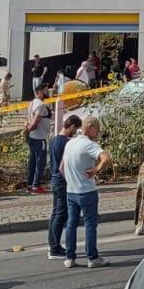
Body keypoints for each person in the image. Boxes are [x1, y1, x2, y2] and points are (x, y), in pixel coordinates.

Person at [62, 116, 111, 268]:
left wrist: (71, 179)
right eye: (97, 129)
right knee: (90, 224)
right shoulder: (89, 145)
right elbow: (106, 158)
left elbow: (62, 167)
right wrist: (96, 169)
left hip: (71, 191)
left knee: (71, 223)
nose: (98, 132)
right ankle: (92, 257)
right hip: (87, 190)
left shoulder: (69, 144)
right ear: (90, 127)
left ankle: (70, 257)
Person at [48, 114, 83, 257]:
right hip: (62, 181)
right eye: (76, 130)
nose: (75, 133)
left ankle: (52, 243)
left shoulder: (54, 140)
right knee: (61, 214)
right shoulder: (65, 143)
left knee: (56, 212)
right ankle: (55, 247)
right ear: (72, 127)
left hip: (55, 179)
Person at [23, 87, 53, 193]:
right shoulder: (40, 105)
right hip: (39, 138)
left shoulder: (32, 103)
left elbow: (27, 119)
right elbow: (35, 123)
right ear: (39, 92)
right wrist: (28, 129)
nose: (48, 92)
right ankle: (36, 185)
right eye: (45, 90)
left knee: (33, 161)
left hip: (33, 137)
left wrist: (27, 129)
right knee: (40, 162)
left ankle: (30, 185)